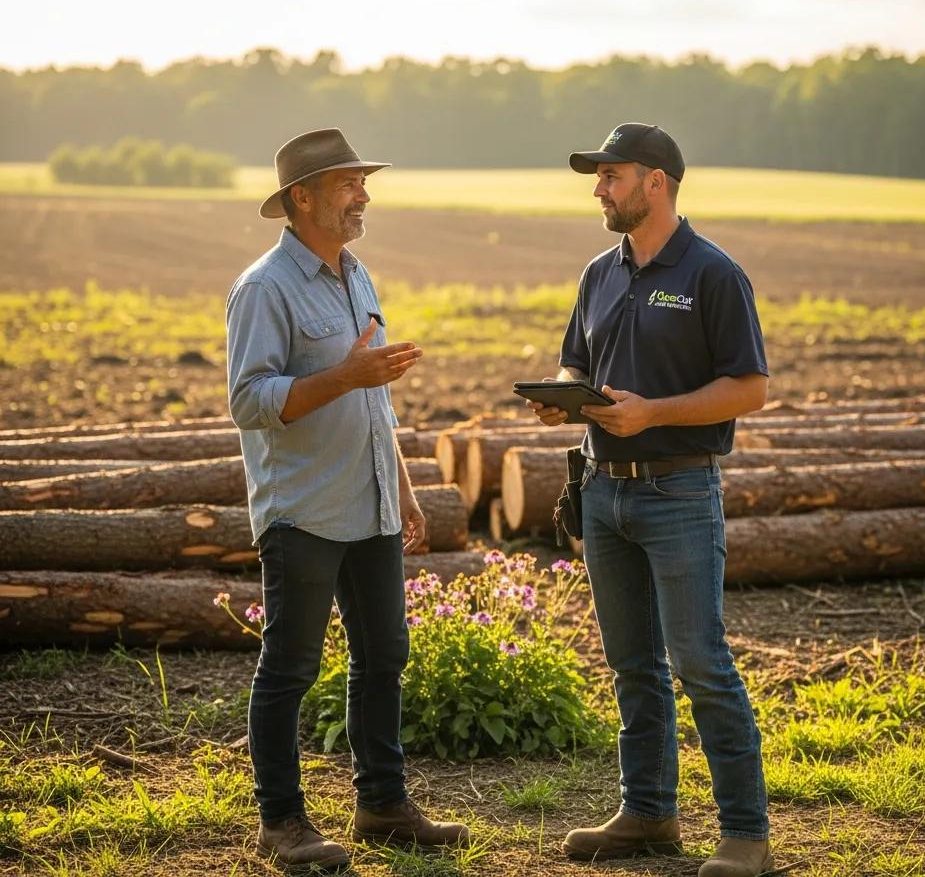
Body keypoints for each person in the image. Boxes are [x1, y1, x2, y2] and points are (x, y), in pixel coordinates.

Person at [527, 123, 773, 877]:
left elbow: (751, 388)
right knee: (631, 663)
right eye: (597, 178)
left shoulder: (711, 273)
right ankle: (648, 814)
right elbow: (579, 360)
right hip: (602, 493)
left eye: (612, 176)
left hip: (679, 493)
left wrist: (652, 412)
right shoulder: (599, 272)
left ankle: (745, 835)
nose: (599, 188)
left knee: (700, 661)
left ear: (656, 181)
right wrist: (564, 399)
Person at [226, 128, 470, 872]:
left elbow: (376, 402)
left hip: (371, 505)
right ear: (302, 199)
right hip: (302, 510)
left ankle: (383, 807)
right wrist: (344, 377)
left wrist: (403, 488)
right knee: (291, 666)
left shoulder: (358, 276)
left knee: (384, 656)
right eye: (348, 184)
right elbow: (250, 400)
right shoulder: (264, 287)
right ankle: (282, 823)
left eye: (363, 181)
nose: (363, 194)